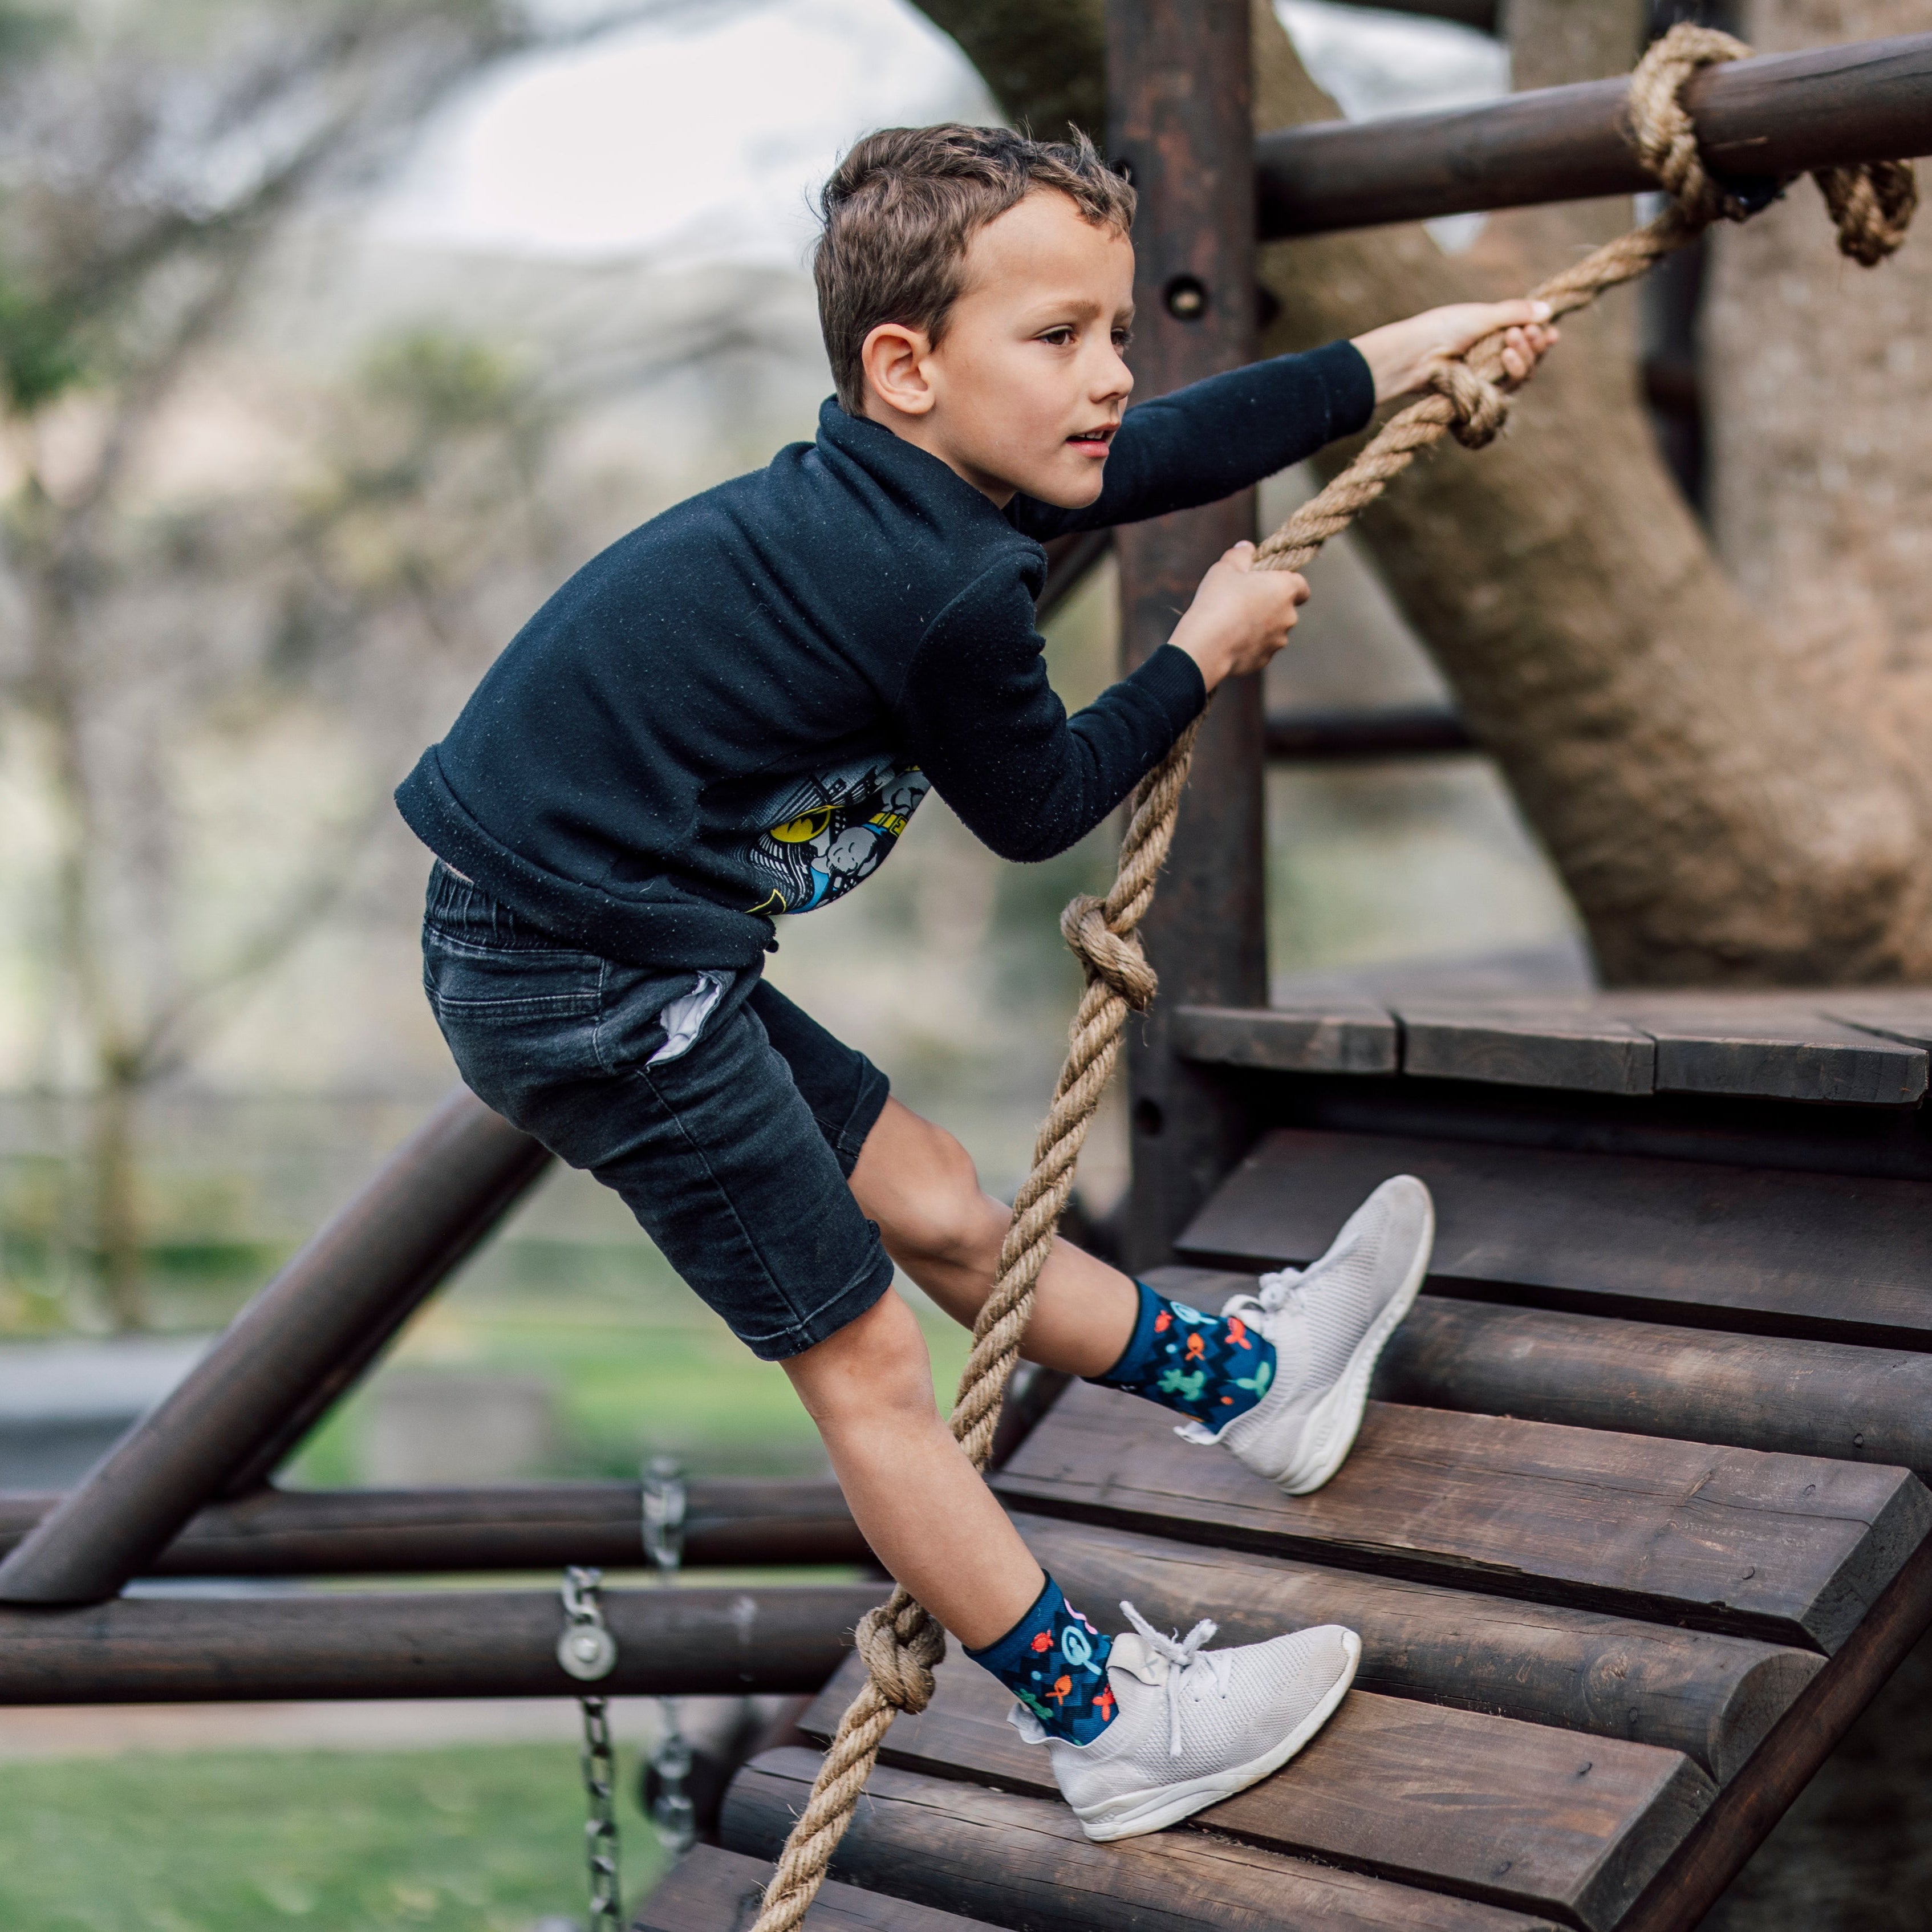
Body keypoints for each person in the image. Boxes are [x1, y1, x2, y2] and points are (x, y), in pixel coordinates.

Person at [396, 123, 1557, 1841]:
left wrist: (1405, 352)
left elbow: (1156, 448)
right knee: (864, 1358)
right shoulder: (932, 581)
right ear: (904, 365)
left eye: (1110, 328)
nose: (1108, 375)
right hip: (593, 972)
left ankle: (1247, 1388)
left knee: (939, 1194)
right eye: (1059, 338)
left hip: (605, 939)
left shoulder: (905, 483)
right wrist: (1197, 654)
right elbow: (1035, 810)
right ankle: (1100, 1717)